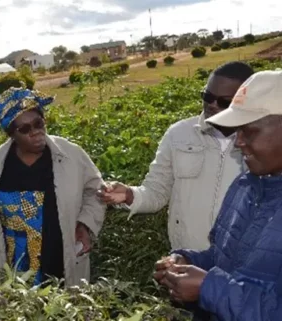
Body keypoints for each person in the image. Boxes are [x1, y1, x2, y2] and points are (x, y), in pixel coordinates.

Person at [154, 70, 282, 321]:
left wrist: (208, 288)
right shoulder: (245, 186)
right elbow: (223, 259)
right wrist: (186, 260)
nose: (238, 142)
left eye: (249, 131)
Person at [98, 61, 255, 250]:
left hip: (242, 265)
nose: (212, 105)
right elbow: (156, 191)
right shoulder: (179, 134)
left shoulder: (264, 143)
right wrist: (130, 195)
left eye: (224, 102)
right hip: (187, 260)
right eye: (207, 96)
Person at [0, 87, 105, 286]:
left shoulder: (70, 156)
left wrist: (85, 225)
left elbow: (96, 191)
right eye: (24, 129)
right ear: (11, 135)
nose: (35, 132)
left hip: (61, 268)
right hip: (13, 275)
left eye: (38, 123)